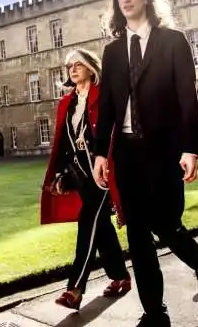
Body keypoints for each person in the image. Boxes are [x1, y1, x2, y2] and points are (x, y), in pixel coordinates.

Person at [92, 0, 198, 327]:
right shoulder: (113, 51)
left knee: (165, 223)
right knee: (136, 234)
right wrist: (102, 154)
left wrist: (189, 148)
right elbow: (108, 110)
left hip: (163, 149)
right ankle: (154, 312)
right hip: (127, 153)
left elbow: (187, 99)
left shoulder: (173, 41)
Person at [40, 48, 133, 311]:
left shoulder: (103, 95)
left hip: (102, 169)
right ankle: (120, 277)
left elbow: (113, 131)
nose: (73, 69)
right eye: (69, 65)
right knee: (100, 225)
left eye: (78, 64)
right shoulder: (66, 102)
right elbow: (61, 143)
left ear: (91, 67)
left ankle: (75, 288)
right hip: (78, 172)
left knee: (88, 222)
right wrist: (59, 173)